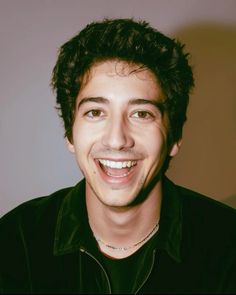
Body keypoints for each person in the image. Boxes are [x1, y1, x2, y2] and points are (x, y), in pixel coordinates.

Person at [0, 18, 235, 294]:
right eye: (95, 112)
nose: (117, 139)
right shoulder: (17, 241)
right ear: (70, 134)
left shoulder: (228, 246)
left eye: (141, 114)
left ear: (174, 138)